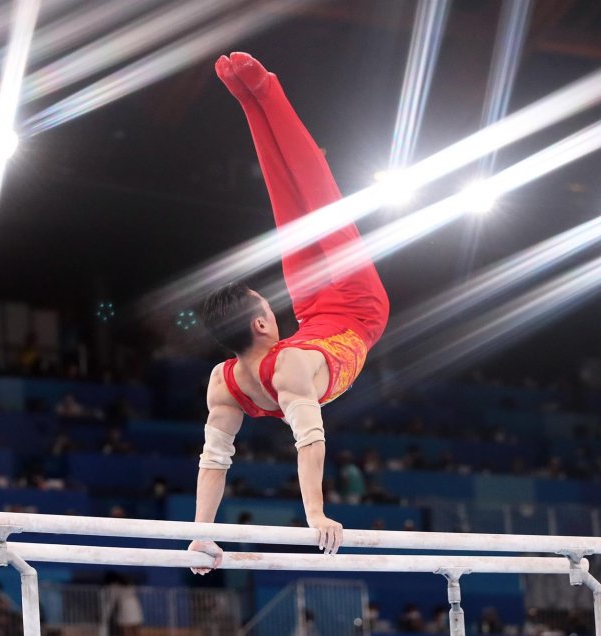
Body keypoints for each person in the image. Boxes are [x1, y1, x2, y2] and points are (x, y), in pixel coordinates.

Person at [188, 52, 389, 571]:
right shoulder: (284, 368)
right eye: (265, 307)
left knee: (288, 204)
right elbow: (308, 442)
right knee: (317, 192)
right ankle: (263, 90)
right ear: (260, 324)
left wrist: (202, 534)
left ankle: (251, 98)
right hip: (359, 307)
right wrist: (315, 515)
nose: (268, 310)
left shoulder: (225, 381)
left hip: (316, 310)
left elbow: (215, 461)